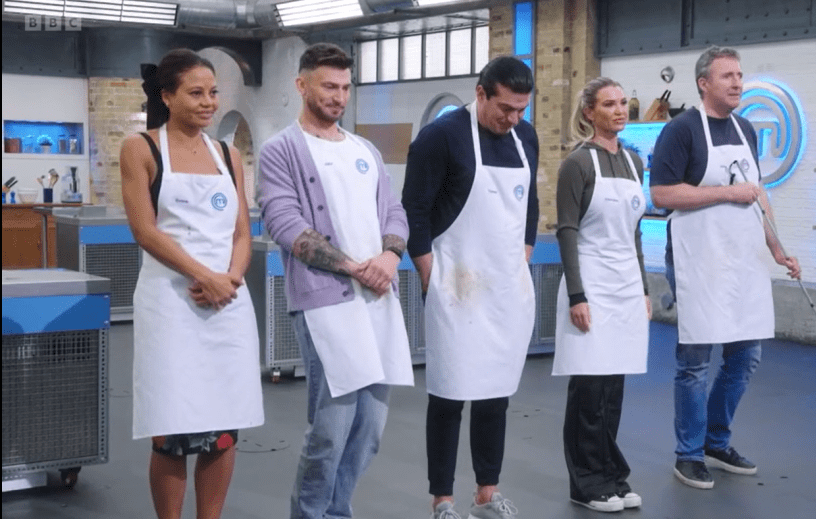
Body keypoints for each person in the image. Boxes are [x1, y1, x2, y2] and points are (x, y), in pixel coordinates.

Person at [257, 42, 414, 519]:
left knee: (370, 427)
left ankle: (337, 510)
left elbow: (393, 209)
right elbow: (284, 223)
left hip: (378, 296)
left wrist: (389, 255)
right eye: (329, 86)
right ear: (301, 85)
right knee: (331, 428)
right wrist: (353, 267)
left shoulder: (364, 149)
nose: (338, 96)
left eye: (346, 87)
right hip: (326, 301)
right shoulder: (280, 150)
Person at [649, 46, 801, 490]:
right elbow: (662, 195)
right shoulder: (680, 131)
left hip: (744, 256)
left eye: (739, 74)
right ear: (704, 83)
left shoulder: (746, 128)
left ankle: (717, 440)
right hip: (698, 256)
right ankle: (688, 453)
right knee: (696, 358)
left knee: (746, 357)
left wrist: (777, 246)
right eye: (727, 76)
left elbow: (757, 191)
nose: (737, 82)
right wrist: (725, 194)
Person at [122, 48, 264, 519]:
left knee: (224, 428)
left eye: (213, 93)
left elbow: (243, 231)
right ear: (167, 96)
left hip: (228, 303)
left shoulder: (228, 154)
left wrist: (231, 277)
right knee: (172, 431)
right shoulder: (141, 148)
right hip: (172, 305)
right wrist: (204, 276)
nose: (208, 102)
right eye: (196, 93)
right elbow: (145, 230)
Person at [402, 56, 539, 519]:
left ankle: (486, 492)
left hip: (504, 286)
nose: (513, 119)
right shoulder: (442, 136)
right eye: (505, 108)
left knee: (495, 393)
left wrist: (520, 257)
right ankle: (442, 499)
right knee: (449, 393)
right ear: (480, 93)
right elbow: (412, 211)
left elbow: (531, 204)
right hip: (455, 282)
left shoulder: (526, 138)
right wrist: (429, 275)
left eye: (521, 109)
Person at [553, 77, 651, 513]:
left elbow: (636, 234)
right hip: (590, 281)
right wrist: (577, 295)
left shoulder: (635, 162)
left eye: (622, 103)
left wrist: (645, 289)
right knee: (589, 388)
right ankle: (586, 482)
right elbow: (567, 230)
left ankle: (611, 474)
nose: (619, 110)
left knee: (614, 387)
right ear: (589, 112)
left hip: (626, 285)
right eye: (608, 104)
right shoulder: (577, 163)